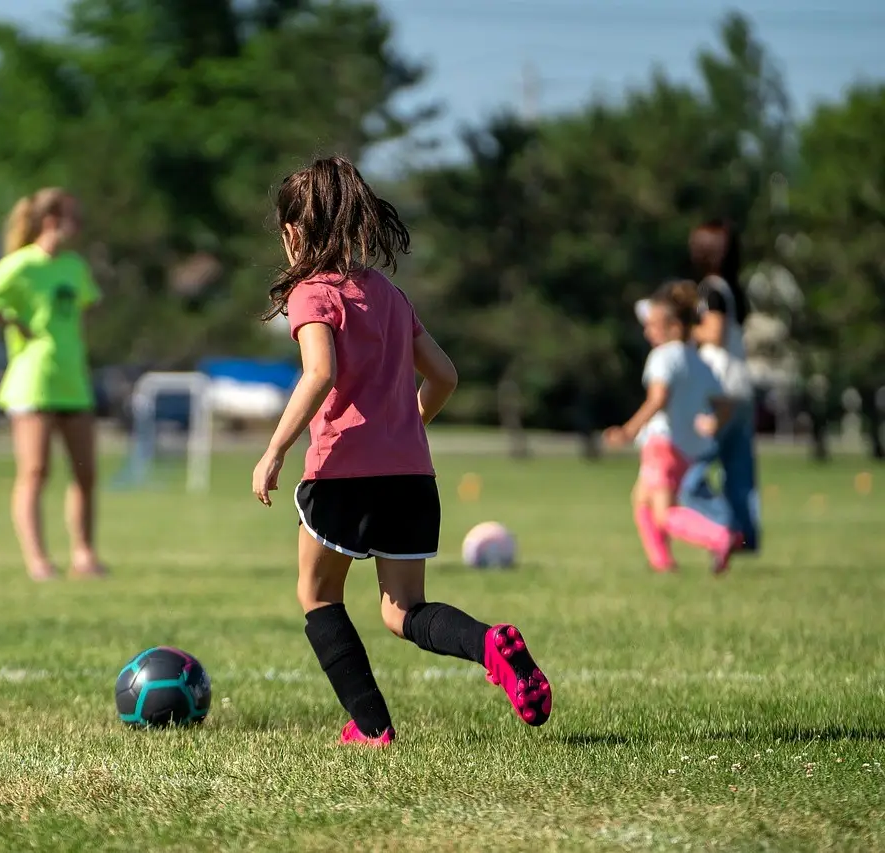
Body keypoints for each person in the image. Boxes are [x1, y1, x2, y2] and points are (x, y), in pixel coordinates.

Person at [250, 156, 551, 747]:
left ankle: (372, 728)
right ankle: (489, 644)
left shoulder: (311, 294)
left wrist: (274, 450)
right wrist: (406, 427)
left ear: (292, 232)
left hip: (343, 474)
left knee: (316, 595)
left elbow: (318, 374)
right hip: (411, 476)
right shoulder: (386, 292)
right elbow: (445, 375)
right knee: (402, 610)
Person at [0, 189, 106, 582]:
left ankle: (84, 556)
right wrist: (10, 320)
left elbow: (86, 310)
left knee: (85, 473)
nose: (80, 225)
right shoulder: (20, 265)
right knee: (35, 472)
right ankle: (38, 561)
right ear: (51, 219)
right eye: (74, 216)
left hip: (73, 380)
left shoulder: (74, 266)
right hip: (32, 381)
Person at [612, 281, 742, 574]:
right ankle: (661, 562)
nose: (647, 332)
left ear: (672, 326)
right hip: (685, 449)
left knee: (663, 513)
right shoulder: (697, 360)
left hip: (662, 443)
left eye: (653, 325)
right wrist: (713, 423)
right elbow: (726, 404)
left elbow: (658, 398)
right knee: (641, 500)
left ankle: (720, 537)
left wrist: (629, 430)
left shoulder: (663, 356)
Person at [688, 220, 760, 555]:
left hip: (718, 389)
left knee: (695, 471)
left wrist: (685, 331)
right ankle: (746, 538)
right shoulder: (733, 288)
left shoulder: (711, 289)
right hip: (742, 385)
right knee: (739, 472)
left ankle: (726, 528)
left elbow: (713, 335)